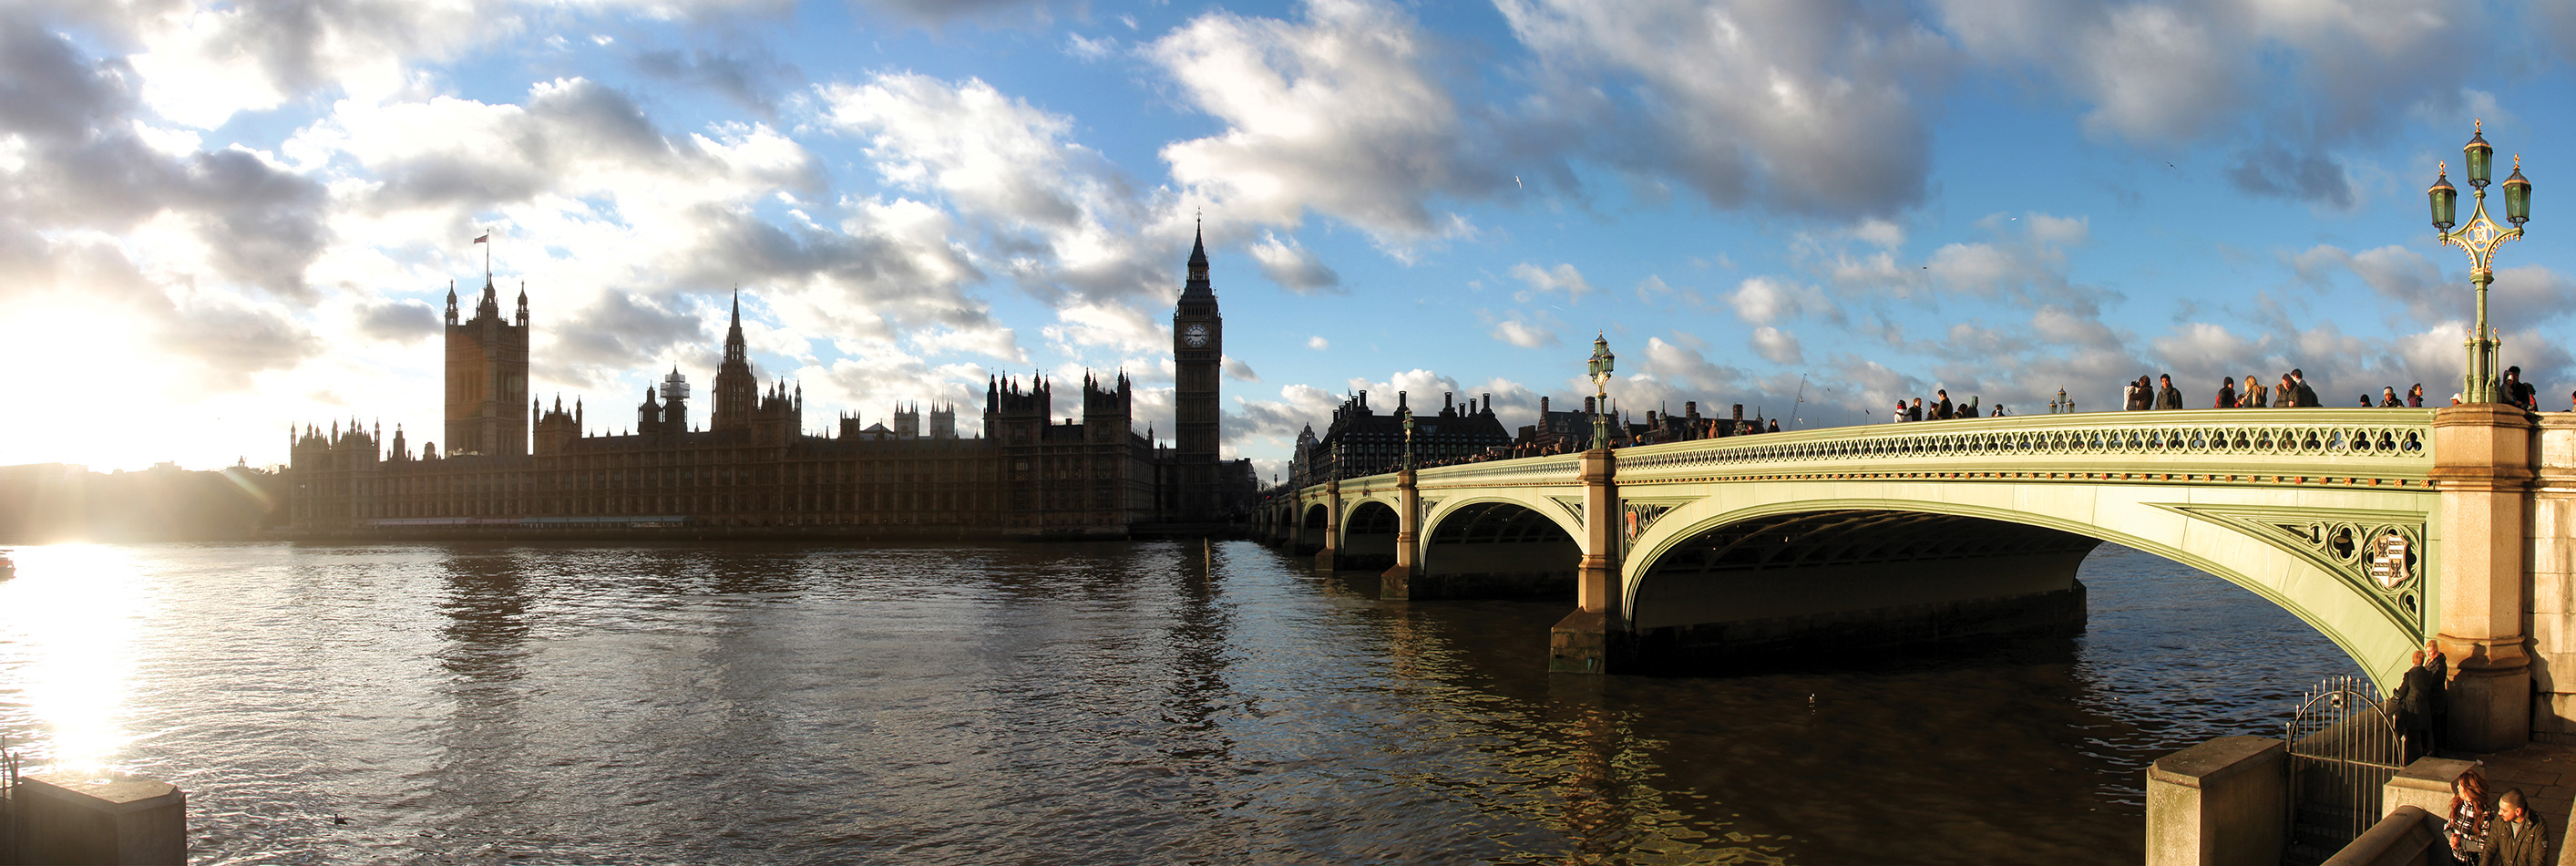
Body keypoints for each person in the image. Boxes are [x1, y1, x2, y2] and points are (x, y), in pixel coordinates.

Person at [2482, 788, 2547, 866]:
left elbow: (2539, 861)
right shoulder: (2501, 820)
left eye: (2504, 810)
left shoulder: (2537, 826)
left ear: (2518, 811)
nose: (2499, 813)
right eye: (2500, 808)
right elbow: (2490, 848)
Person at [2397, 649, 2442, 760]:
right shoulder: (2428, 674)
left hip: (2412, 710)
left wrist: (2396, 696)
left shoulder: (2410, 674)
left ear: (2413, 660)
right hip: (2424, 709)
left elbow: (2402, 692)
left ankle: (2414, 760)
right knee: (2424, 737)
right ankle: (2425, 756)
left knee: (2413, 738)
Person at [2448, 769, 2491, 864]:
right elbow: (2448, 826)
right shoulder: (2458, 804)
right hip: (2456, 859)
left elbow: (2484, 844)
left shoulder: (2484, 813)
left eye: (2460, 785)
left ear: (2467, 791)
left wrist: (2460, 843)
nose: (2457, 787)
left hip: (2473, 862)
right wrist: (2452, 839)